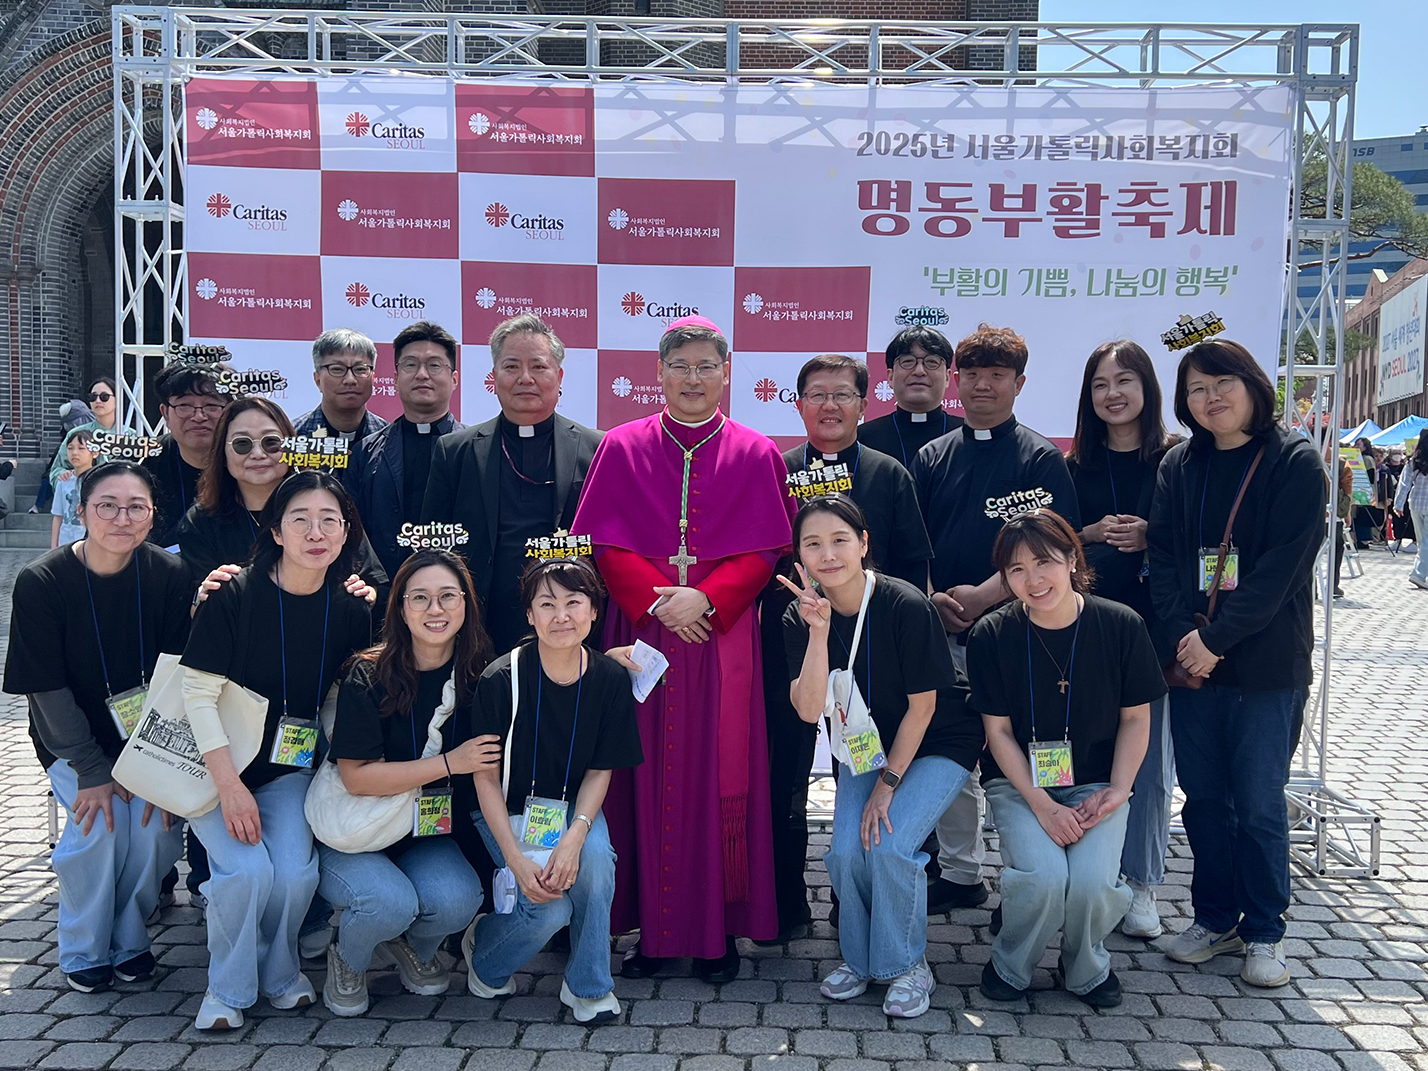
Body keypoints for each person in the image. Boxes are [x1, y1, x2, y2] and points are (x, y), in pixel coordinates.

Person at [571, 315, 794, 981]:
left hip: (721, 643)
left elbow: (765, 547)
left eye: (705, 366)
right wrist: (659, 598)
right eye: (680, 366)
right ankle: (654, 935)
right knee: (638, 778)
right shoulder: (621, 445)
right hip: (642, 638)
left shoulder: (757, 452)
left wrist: (711, 598)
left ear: (726, 373)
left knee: (717, 782)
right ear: (659, 375)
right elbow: (604, 544)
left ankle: (717, 933)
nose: (692, 378)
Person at [1149, 339, 1325, 988]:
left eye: (1221, 383)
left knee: (1257, 804)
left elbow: (1281, 570)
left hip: (1265, 666)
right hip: (1193, 665)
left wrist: (1217, 639)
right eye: (1196, 389)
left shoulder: (1294, 461)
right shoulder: (1180, 464)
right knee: (1204, 801)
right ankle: (1215, 917)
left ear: (1252, 384)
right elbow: (1162, 560)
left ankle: (1265, 930)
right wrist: (1181, 636)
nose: (1210, 398)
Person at [180, 471, 374, 1030]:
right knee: (245, 874)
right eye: (301, 520)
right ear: (277, 530)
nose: (316, 532)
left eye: (329, 522)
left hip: (289, 768)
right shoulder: (234, 593)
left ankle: (281, 971)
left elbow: (342, 693)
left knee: (292, 875)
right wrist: (229, 786)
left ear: (346, 536)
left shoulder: (350, 607)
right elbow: (197, 693)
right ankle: (227, 988)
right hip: (215, 765)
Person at [782, 495, 981, 1017]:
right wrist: (819, 632)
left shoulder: (904, 602)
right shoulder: (798, 615)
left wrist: (886, 787)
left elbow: (924, 709)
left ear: (864, 544)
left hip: (938, 742)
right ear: (799, 557)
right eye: (814, 544)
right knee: (847, 850)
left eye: (840, 540)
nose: (828, 554)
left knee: (889, 845)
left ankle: (906, 965)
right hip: (862, 747)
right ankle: (859, 957)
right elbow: (806, 711)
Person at [3, 461, 191, 992]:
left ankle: (129, 937)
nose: (121, 518)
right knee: (100, 830)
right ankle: (84, 946)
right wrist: (92, 768)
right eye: (107, 505)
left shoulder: (170, 576)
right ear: (82, 510)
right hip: (73, 743)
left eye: (137, 507)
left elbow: (176, 679)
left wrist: (152, 764)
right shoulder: (43, 581)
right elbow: (45, 688)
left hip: (150, 741)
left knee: (154, 833)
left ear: (153, 518)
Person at [763, 354, 934, 939]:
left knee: (865, 769)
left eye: (842, 394)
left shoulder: (888, 472)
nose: (829, 406)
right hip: (797, 646)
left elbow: (913, 567)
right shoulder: (776, 468)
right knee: (783, 778)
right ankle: (784, 908)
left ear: (865, 403)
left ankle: (860, 903)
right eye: (816, 395)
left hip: (876, 657)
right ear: (799, 404)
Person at [912, 323, 1080, 914]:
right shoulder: (933, 456)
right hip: (944, 630)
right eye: (973, 374)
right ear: (957, 381)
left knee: (1030, 754)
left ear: (1019, 383)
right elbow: (916, 542)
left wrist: (985, 597)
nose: (983, 385)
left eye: (997, 375)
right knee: (953, 751)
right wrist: (934, 598)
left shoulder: (1041, 458)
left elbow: (1055, 547)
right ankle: (960, 874)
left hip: (1023, 630)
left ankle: (1033, 876)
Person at [970, 510, 1159, 1008]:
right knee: (1044, 877)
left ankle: (1085, 964)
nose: (1032, 580)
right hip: (1018, 785)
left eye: (1043, 563)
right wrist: (1041, 803)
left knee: (1094, 883)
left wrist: (1118, 790)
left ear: (1072, 559)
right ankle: (1011, 962)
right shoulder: (991, 634)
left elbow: (1137, 720)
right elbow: (997, 732)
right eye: (1015, 570)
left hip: (1097, 782)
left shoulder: (1121, 625)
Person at [318, 550, 495, 1016]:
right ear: (399, 607)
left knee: (459, 899)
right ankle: (349, 957)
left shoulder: (478, 674)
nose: (435, 610)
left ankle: (401, 943)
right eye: (420, 598)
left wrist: (608, 661)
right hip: (355, 832)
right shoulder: (367, 673)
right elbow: (356, 778)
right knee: (387, 903)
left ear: (466, 604)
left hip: (421, 832)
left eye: (446, 597)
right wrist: (451, 763)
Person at [467, 557, 643, 1022]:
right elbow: (483, 777)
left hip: (571, 808)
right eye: (546, 604)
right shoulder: (500, 679)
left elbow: (600, 770)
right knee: (548, 911)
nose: (560, 615)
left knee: (597, 865)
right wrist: (515, 858)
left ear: (593, 612)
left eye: (573, 602)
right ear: (529, 615)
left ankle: (588, 986)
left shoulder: (608, 679)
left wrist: (575, 836)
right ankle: (484, 952)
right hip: (502, 810)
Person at [1065, 340, 1177, 939]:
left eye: (1125, 381)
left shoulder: (1177, 460)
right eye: (1101, 383)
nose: (1113, 394)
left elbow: (1199, 538)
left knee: (1149, 769)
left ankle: (1142, 885)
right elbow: (1045, 542)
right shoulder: (1069, 467)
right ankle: (1087, 874)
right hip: (1079, 635)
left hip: (1153, 636)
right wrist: (1086, 533)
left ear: (1147, 389)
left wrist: (1151, 535)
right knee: (1081, 760)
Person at [421, 314, 601, 655]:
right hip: (479, 626)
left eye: (539, 367)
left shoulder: (596, 450)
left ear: (559, 376)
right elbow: (434, 549)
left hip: (568, 626)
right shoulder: (456, 452)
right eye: (512, 366)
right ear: (494, 376)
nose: (525, 378)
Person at [177, 396, 387, 596]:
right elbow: (194, 602)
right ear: (222, 453)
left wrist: (368, 593)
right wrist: (202, 596)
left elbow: (376, 583)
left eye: (271, 443)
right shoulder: (201, 522)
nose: (258, 454)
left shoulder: (327, 503)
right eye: (243, 444)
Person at [347, 322, 464, 580]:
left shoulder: (476, 451)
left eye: (434, 365)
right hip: (381, 595)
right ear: (397, 377)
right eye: (410, 365)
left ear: (454, 379)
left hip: (455, 597)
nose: (422, 374)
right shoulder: (366, 453)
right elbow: (352, 532)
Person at [145, 362, 229, 549]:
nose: (198, 416)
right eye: (184, 405)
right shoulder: (142, 463)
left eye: (211, 405)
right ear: (165, 413)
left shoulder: (252, 463)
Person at [857, 326, 964, 470]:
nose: (919, 371)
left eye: (932, 362)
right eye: (907, 361)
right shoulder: (861, 439)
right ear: (890, 376)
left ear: (947, 377)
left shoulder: (967, 435)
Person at [293, 328, 389, 448]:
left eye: (360, 369)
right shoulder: (293, 437)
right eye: (337, 369)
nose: (350, 380)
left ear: (373, 378)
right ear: (317, 379)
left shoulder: (389, 439)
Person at [46, 376, 119, 507]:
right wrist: (64, 476)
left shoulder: (130, 434)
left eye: (104, 397)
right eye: (93, 397)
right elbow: (56, 468)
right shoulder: (76, 433)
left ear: (117, 399)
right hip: (82, 505)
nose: (98, 401)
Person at [51, 428, 97, 547]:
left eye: (81, 448)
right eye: (70, 448)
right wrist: (53, 548)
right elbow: (58, 516)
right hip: (66, 542)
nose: (75, 453)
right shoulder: (63, 480)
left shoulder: (99, 481)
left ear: (95, 452)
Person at [1393, 435, 1428, 590]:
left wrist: (1398, 504)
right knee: (1426, 542)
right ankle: (1419, 574)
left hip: (1415, 503)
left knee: (1422, 541)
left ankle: (1420, 571)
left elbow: (1404, 484)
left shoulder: (1413, 461)